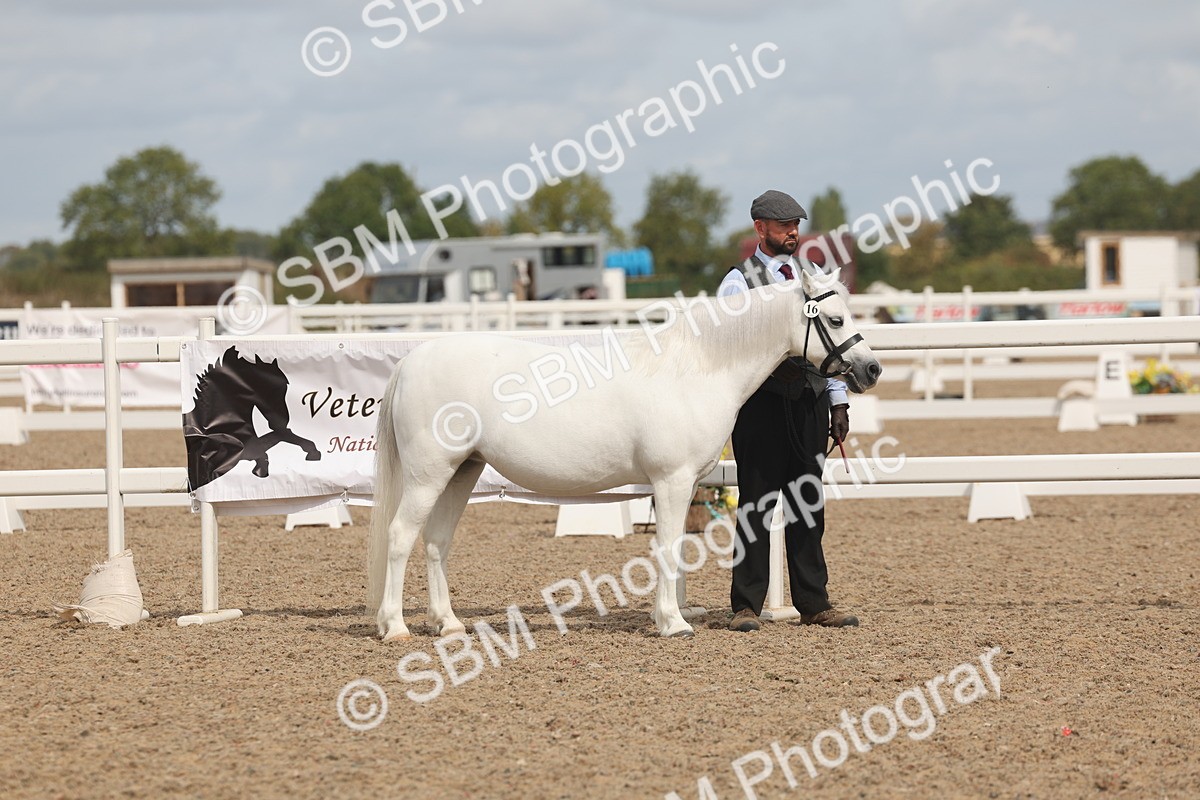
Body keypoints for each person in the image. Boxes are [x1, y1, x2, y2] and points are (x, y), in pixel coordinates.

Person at [717, 189, 858, 633]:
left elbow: (831, 344)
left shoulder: (815, 278)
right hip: (761, 408)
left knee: (807, 506)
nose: (793, 232)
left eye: (796, 224)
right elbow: (728, 349)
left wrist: (838, 401)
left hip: (810, 404)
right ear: (761, 228)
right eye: (784, 226)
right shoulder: (738, 283)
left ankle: (814, 602)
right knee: (757, 505)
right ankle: (746, 605)